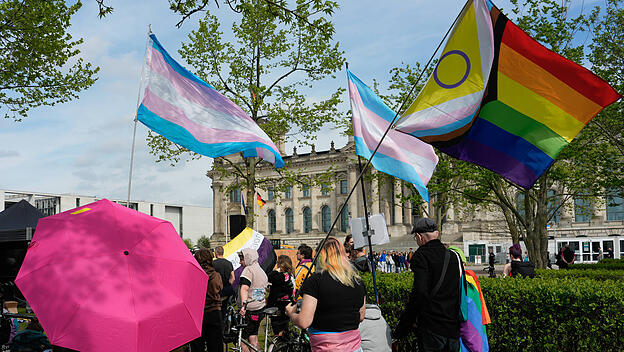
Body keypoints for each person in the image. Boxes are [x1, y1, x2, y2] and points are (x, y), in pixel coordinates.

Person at [286, 237, 366, 352]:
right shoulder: (358, 281)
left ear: (320, 257)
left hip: (326, 348)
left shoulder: (315, 281)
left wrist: (291, 314)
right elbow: (361, 316)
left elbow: (304, 321)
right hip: (354, 347)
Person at [394, 218, 461, 352]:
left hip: (432, 327)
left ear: (419, 236)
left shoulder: (421, 256)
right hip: (453, 327)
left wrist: (402, 329)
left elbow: (420, 293)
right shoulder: (453, 255)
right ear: (436, 233)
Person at [190, 248, 224, 352]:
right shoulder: (216, 276)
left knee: (197, 346)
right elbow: (219, 289)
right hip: (214, 311)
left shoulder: (193, 275)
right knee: (216, 346)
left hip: (197, 314)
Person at [238, 248, 269, 352]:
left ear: (247, 258)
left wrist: (243, 306)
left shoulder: (248, 270)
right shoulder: (261, 271)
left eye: (241, 259)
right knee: (253, 336)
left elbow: (245, 288)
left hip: (249, 309)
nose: (240, 262)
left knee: (241, 339)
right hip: (260, 308)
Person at [267, 255, 295, 337]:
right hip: (288, 303)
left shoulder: (280, 276)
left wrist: (277, 270)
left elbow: (271, 276)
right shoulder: (290, 275)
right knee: (285, 327)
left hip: (278, 305)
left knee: (278, 328)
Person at [213, 246, 235, 317]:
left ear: (216, 253)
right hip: (227, 290)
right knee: (225, 310)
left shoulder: (213, 263)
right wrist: (229, 284)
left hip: (216, 291)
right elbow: (233, 277)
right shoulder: (229, 263)